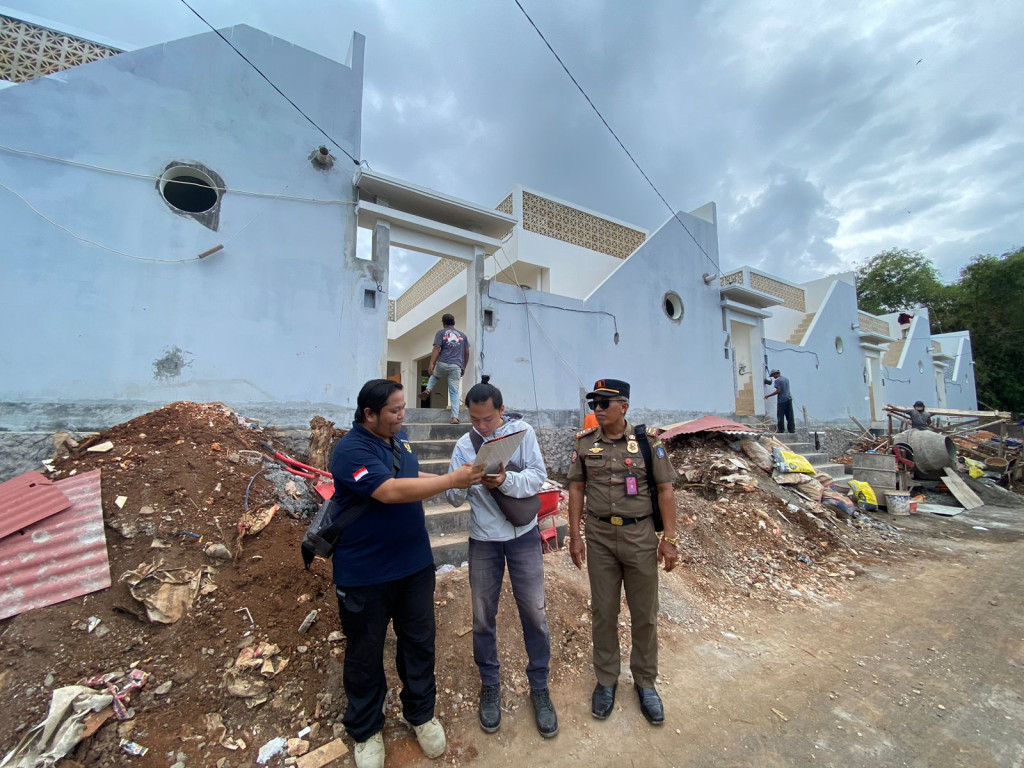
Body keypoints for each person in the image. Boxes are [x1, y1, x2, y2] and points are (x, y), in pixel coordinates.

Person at [330, 379, 486, 768]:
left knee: (419, 643)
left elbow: (411, 481)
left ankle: (420, 713)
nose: (403, 416)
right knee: (365, 654)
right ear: (369, 414)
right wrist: (451, 480)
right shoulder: (351, 450)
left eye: (403, 409)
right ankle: (366, 730)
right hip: (365, 573)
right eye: (394, 411)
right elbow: (388, 491)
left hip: (414, 567)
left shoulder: (400, 444)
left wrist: (455, 478)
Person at [444, 376, 558, 738]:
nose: (481, 426)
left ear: (502, 412)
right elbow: (452, 500)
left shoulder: (521, 433)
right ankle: (489, 683)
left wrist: (505, 481)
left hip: (523, 537)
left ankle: (539, 686)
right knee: (482, 617)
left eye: (488, 419)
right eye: (474, 420)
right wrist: (463, 482)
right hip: (484, 540)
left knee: (535, 613)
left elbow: (539, 477)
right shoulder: (464, 446)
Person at [566, 379, 679, 726]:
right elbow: (576, 488)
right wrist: (574, 535)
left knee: (644, 613)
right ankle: (606, 680)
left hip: (640, 536)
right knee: (603, 612)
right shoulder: (585, 445)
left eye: (604, 403)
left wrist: (670, 538)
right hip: (599, 537)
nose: (597, 409)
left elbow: (665, 491)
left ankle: (645, 683)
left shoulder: (648, 444)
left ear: (624, 407)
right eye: (594, 404)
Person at [420, 313, 470, 424]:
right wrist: (463, 367)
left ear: (443, 323)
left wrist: (431, 363)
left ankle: (428, 389)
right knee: (454, 392)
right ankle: (455, 417)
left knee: (435, 376)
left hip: (442, 363)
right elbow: (467, 353)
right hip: (456, 366)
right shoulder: (463, 336)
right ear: (454, 322)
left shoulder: (441, 332)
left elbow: (437, 347)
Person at [764, 369, 795, 434]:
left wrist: (768, 395)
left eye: (773, 375)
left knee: (780, 416)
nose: (773, 377)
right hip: (789, 399)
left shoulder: (777, 381)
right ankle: (791, 430)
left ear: (775, 374)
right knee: (790, 416)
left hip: (782, 401)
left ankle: (781, 430)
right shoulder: (786, 379)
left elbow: (779, 391)